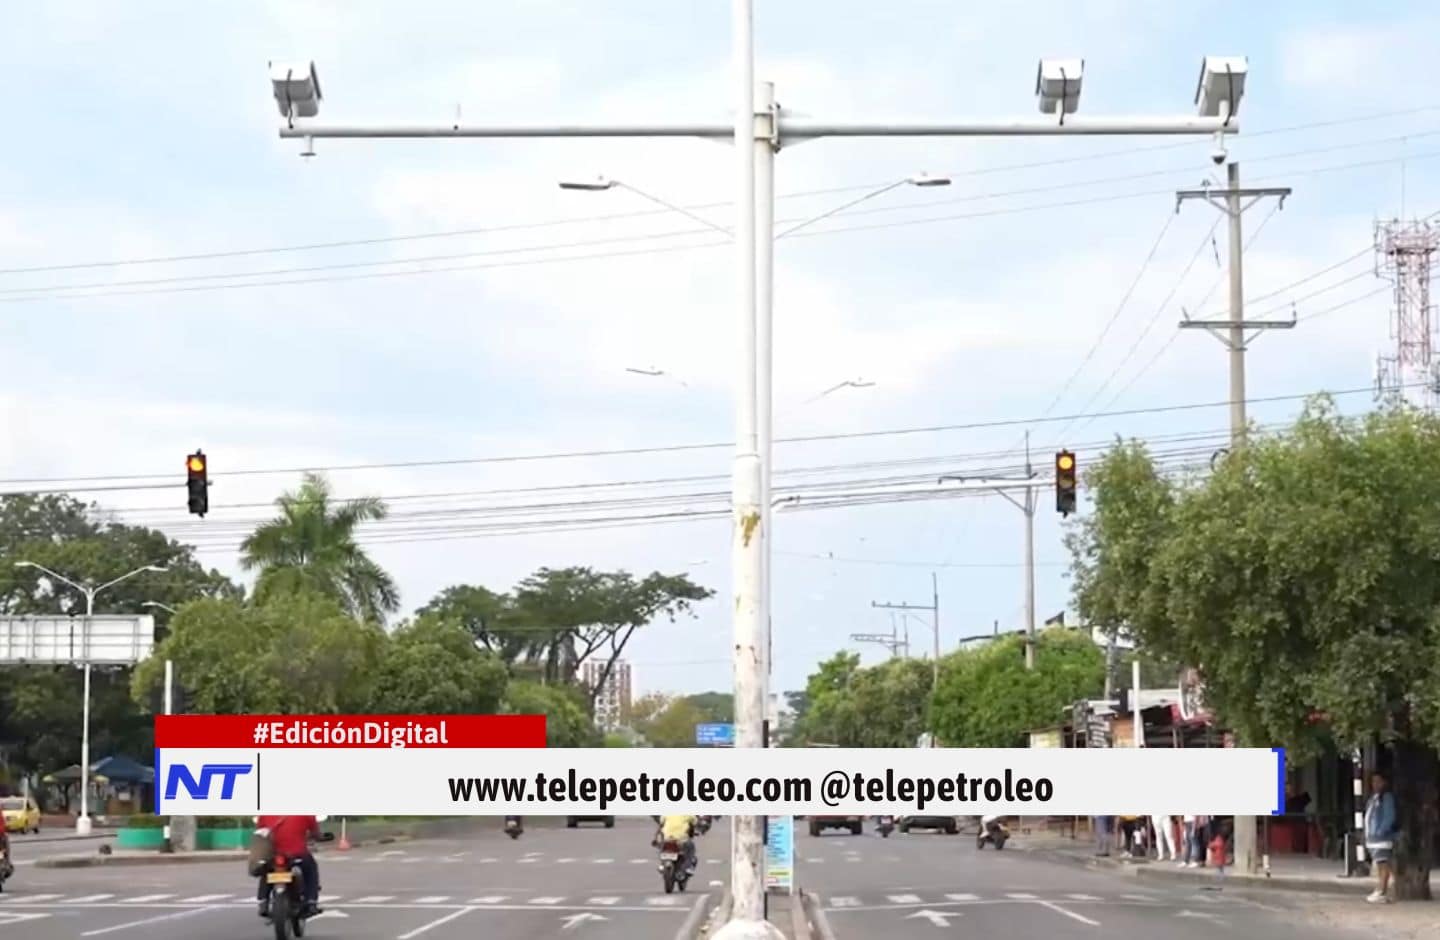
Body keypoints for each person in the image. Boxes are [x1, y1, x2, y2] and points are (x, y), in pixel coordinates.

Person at [256, 815, 323, 917]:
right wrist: (318, 836)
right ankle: (311, 901)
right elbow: (315, 833)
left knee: (267, 872)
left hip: (273, 854)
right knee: (311, 870)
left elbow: (260, 832)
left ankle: (263, 901)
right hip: (297, 853)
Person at [1364, 771, 1398, 904]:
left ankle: (1382, 890)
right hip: (1373, 837)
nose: (1375, 784)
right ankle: (1382, 888)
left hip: (1381, 837)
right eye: (1373, 781)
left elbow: (1389, 816)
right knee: (1380, 864)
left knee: (1383, 864)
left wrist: (1381, 831)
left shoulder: (1386, 797)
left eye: (1378, 781)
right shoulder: (1374, 797)